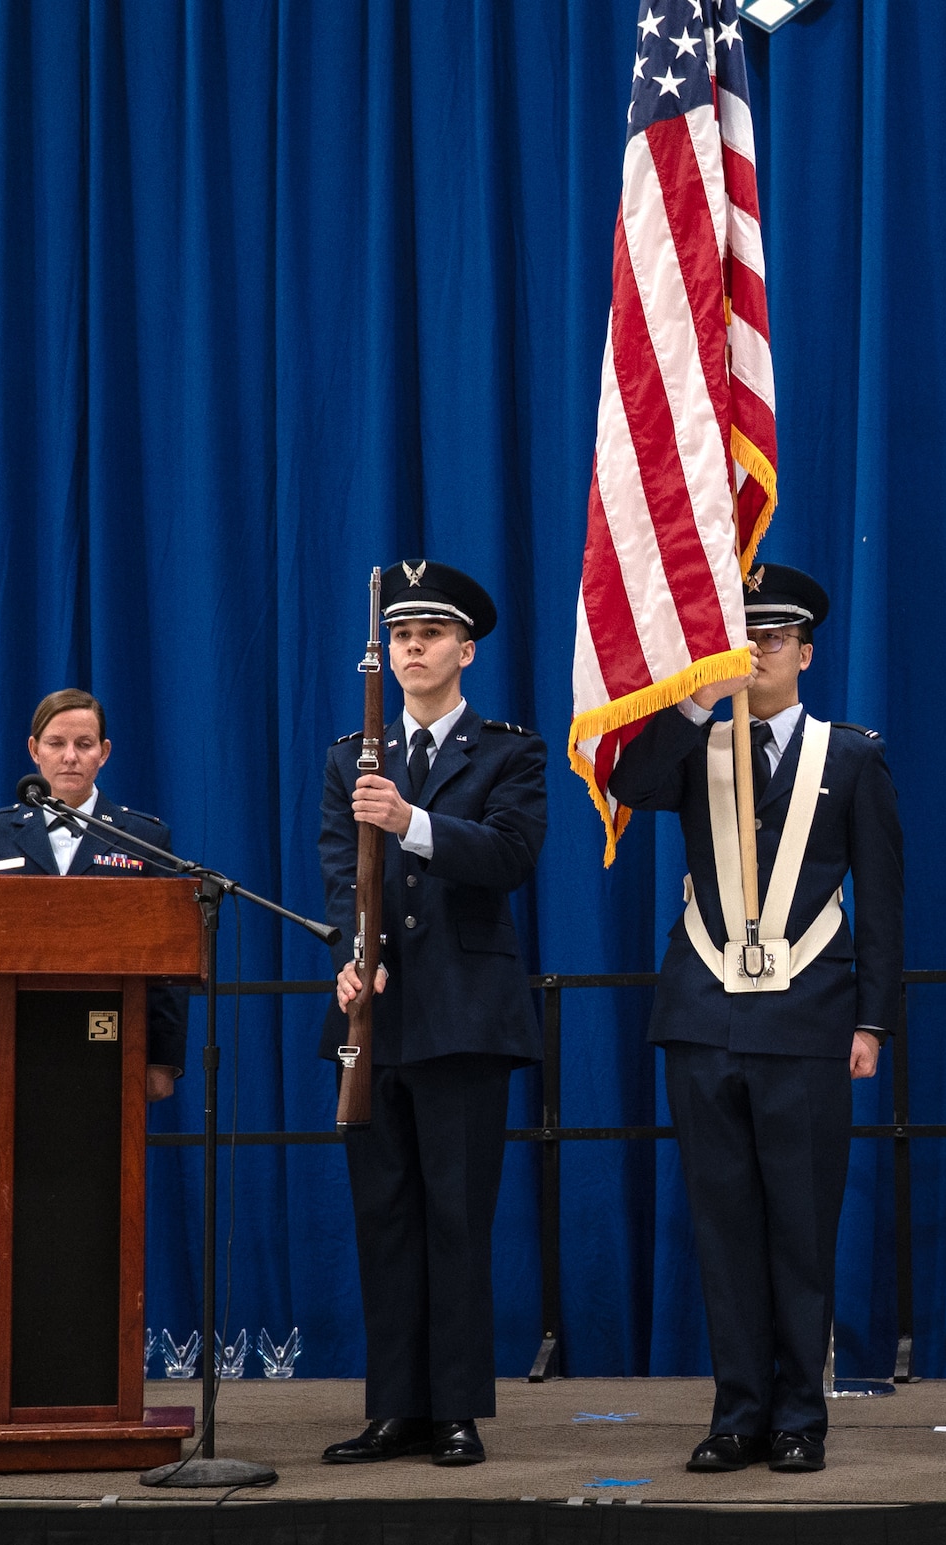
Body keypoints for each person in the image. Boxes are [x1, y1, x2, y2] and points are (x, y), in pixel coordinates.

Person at [608, 563, 902, 1476]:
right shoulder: (695, 743)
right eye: (745, 635)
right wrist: (698, 700)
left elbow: (884, 904)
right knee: (723, 1221)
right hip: (703, 1014)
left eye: (773, 638)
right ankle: (738, 1410)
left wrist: (874, 1022)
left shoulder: (849, 755)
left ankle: (800, 1414)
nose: (758, 650)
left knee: (802, 1227)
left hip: (811, 1017)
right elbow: (635, 783)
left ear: (806, 652)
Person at [316, 560, 546, 1469]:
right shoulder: (349, 755)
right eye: (402, 635)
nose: (414, 647)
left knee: (457, 1217)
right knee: (386, 1215)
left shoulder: (508, 751)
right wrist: (348, 953)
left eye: (431, 635)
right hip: (376, 1015)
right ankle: (395, 1406)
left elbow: (509, 855)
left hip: (464, 1016)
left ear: (465, 650)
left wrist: (412, 819)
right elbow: (343, 871)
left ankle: (456, 1407)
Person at [0, 688, 188, 1160]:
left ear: (104, 752)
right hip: (7, 1047)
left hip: (112, 1044)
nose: (70, 757)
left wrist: (162, 1057)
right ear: (34, 750)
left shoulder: (143, 838)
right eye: (56, 743)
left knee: (105, 1196)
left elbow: (169, 959)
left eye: (84, 743)